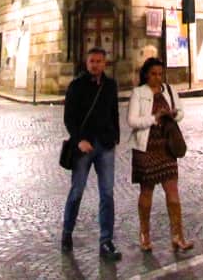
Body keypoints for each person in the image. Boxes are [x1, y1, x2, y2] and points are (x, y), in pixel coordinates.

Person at [127, 57, 193, 253]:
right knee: (146, 192)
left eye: (160, 74)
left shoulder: (170, 90)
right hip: (146, 148)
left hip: (166, 148)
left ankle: (178, 236)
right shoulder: (138, 93)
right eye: (153, 74)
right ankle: (144, 235)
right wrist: (153, 119)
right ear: (146, 74)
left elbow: (181, 113)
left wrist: (174, 114)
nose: (157, 78)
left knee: (173, 193)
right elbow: (132, 121)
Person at [62, 47, 121, 260]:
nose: (95, 64)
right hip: (83, 147)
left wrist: (115, 137)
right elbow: (69, 118)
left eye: (99, 61)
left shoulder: (110, 85)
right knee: (77, 191)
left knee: (107, 194)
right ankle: (67, 232)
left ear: (105, 63)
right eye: (92, 61)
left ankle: (106, 241)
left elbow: (114, 112)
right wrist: (79, 140)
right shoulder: (76, 86)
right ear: (86, 63)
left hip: (105, 146)